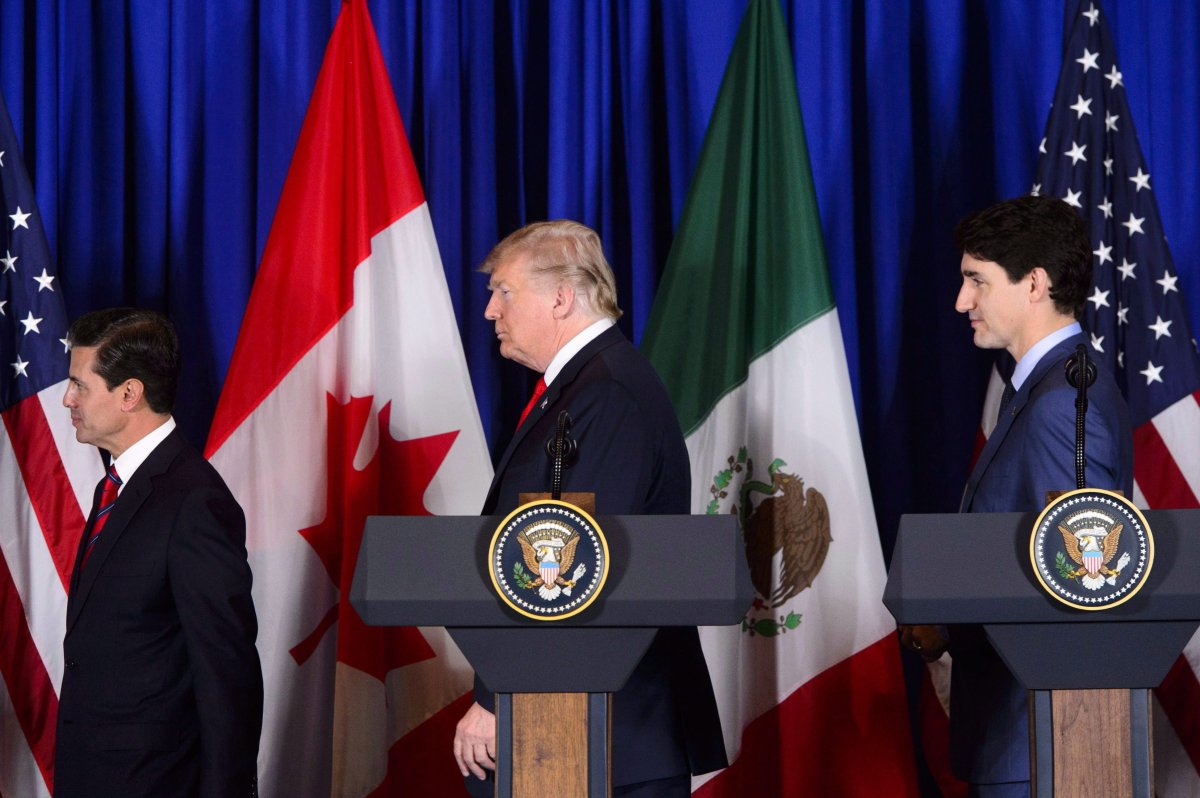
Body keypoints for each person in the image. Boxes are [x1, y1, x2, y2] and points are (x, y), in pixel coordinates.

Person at [453, 221, 727, 797]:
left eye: (502, 291)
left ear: (560, 297)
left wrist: (499, 695)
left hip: (604, 735)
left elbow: (570, 570)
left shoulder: (605, 394)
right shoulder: (588, 386)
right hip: (590, 733)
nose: (489, 312)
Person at [902, 195, 1133, 797]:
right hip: (1022, 737)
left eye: (976, 280)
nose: (961, 301)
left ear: (1034, 284)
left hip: (1042, 744)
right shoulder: (1048, 388)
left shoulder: (1062, 404)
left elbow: (1082, 583)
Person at [54, 308, 263, 798]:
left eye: (80, 385)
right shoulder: (120, 487)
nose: (67, 399)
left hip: (156, 784)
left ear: (129, 394)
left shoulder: (195, 502)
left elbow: (226, 673)